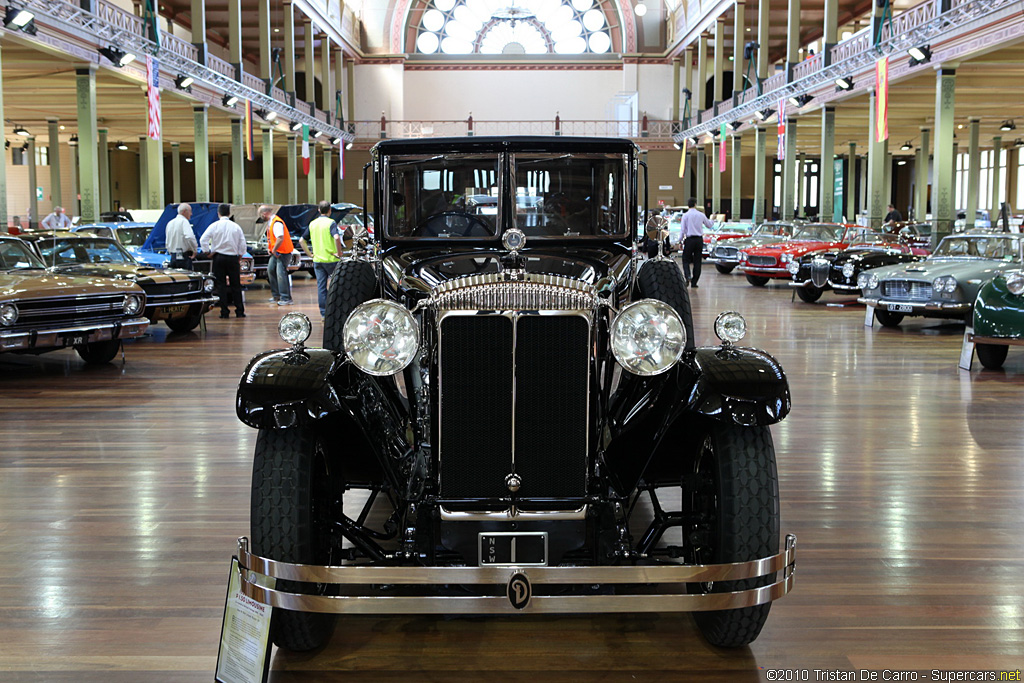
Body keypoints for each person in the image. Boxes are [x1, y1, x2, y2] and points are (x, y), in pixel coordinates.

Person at [200, 204, 247, 318]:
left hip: (218, 257)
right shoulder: (236, 227)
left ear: (218, 213)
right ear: (229, 214)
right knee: (236, 285)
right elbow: (242, 244)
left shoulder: (214, 225)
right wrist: (239, 256)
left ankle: (224, 312)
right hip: (232, 258)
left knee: (221, 285)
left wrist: (207, 252)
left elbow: (203, 239)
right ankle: (239, 311)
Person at [299, 201, 343, 317]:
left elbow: (301, 240)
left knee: (321, 288)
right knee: (337, 286)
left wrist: (309, 254)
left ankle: (324, 314)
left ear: (319, 210)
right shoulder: (331, 223)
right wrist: (339, 253)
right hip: (332, 260)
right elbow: (337, 238)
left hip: (318, 260)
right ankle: (336, 312)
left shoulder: (312, 223)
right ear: (330, 210)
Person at [260, 204, 294, 305]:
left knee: (281, 274)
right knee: (271, 271)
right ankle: (276, 295)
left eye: (260, 214)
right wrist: (270, 248)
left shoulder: (276, 222)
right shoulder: (271, 222)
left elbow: (280, 238)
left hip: (283, 252)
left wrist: (274, 249)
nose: (260, 216)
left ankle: (286, 298)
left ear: (265, 213)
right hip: (277, 252)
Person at [679, 197, 713, 288]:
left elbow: (682, 230)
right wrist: (712, 219)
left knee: (686, 259)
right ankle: (694, 282)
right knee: (697, 261)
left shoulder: (685, 215)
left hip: (689, 240)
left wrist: (680, 241)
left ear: (688, 205)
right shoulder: (701, 215)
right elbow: (709, 225)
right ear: (695, 204)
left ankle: (687, 275)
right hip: (699, 240)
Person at [165, 203, 198, 270]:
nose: (191, 214)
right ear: (184, 211)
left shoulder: (170, 223)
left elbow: (167, 241)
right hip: (184, 257)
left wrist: (170, 251)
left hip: (173, 256)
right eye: (190, 211)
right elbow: (190, 237)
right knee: (186, 278)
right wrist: (194, 250)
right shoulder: (184, 222)